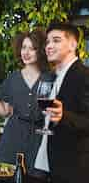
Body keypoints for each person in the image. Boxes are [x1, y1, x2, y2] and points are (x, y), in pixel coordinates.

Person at [0, 29, 50, 178]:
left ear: (41, 51)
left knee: (36, 177)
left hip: (38, 140)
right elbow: (4, 111)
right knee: (8, 176)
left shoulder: (50, 78)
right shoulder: (13, 78)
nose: (26, 52)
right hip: (13, 137)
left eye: (32, 48)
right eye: (24, 47)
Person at [41, 23, 89, 183]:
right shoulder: (56, 76)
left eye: (56, 40)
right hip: (54, 165)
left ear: (73, 44)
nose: (49, 46)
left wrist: (64, 116)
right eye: (47, 42)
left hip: (75, 169)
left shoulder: (84, 75)